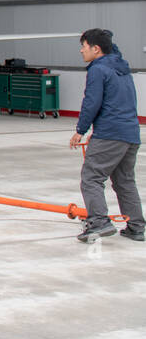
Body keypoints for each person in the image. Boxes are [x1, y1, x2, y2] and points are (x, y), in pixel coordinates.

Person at [69, 28, 141, 243]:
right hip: (130, 133)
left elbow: (92, 102)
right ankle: (136, 227)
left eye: (84, 46)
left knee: (91, 178)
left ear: (96, 48)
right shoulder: (120, 66)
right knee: (125, 181)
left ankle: (99, 222)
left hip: (111, 133)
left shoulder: (98, 70)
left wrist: (80, 130)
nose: (81, 51)